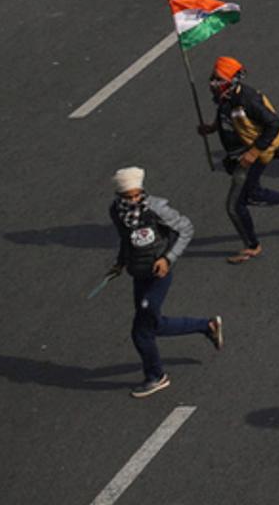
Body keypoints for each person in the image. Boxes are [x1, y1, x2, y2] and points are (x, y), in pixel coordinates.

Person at [107, 167, 221, 397]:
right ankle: (206, 326)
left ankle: (156, 376)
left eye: (138, 195)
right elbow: (125, 239)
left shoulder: (156, 209)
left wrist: (168, 258)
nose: (134, 200)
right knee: (153, 324)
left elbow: (186, 229)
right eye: (128, 197)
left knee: (141, 331)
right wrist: (120, 263)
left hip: (158, 274)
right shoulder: (116, 211)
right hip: (138, 274)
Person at [198, 55, 279, 261]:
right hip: (241, 153)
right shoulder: (226, 98)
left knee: (235, 205)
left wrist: (253, 153)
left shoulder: (248, 100)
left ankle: (252, 246)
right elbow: (228, 115)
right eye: (213, 78)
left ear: (232, 81)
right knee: (253, 194)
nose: (213, 83)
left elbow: (274, 124)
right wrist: (211, 128)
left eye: (218, 79)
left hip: (256, 153)